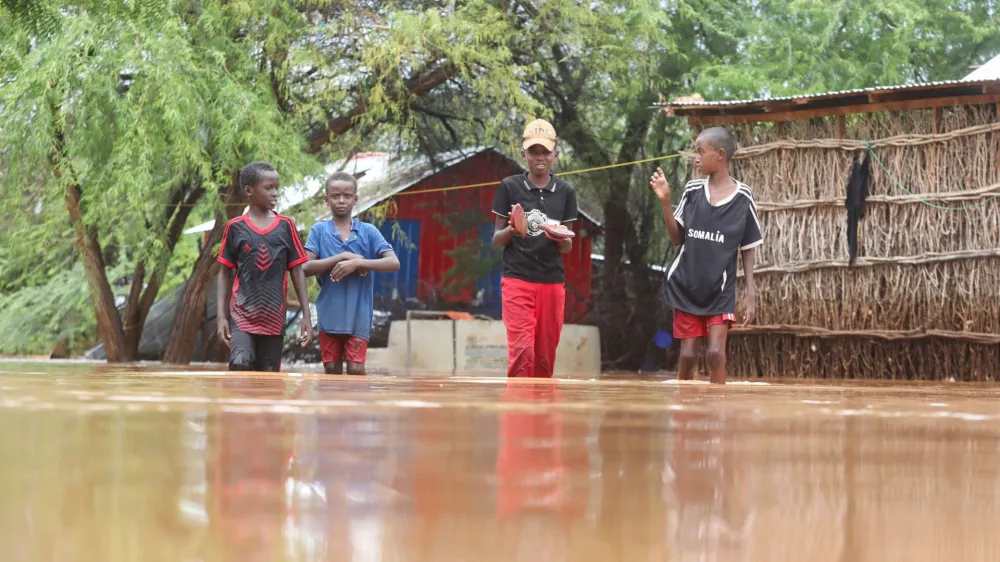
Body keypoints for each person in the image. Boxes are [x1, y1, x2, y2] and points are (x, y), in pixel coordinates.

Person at [650, 126, 763, 384]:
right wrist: (666, 202)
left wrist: (751, 293)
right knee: (688, 356)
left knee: (714, 354)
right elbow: (677, 238)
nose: (696, 157)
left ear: (720, 155)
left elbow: (747, 247)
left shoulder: (743, 197)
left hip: (720, 289)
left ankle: (717, 409)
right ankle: (684, 412)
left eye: (701, 151)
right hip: (686, 285)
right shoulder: (692, 191)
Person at [492, 119, 579, 378]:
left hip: (552, 282)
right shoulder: (509, 187)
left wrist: (558, 235)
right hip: (517, 280)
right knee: (523, 353)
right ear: (524, 155)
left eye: (545, 152)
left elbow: (567, 247)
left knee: (543, 359)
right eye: (533, 152)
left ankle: (541, 417)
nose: (539, 157)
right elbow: (497, 239)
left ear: (555, 155)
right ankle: (518, 415)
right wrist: (513, 229)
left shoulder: (566, 192)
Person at [217, 161, 312, 372]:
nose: (275, 193)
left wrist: (306, 315)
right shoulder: (235, 227)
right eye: (268, 188)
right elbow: (225, 272)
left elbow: (297, 270)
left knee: (268, 376)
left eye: (276, 187)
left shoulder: (286, 226)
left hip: (274, 317)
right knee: (239, 364)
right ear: (249, 191)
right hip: (242, 316)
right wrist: (222, 317)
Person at [303, 172, 400, 375]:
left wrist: (357, 262)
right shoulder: (319, 231)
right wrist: (341, 258)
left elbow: (393, 262)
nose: (341, 200)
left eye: (347, 196)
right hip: (329, 313)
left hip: (359, 314)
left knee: (356, 369)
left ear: (355, 199)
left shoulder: (368, 231)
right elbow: (305, 267)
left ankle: (356, 408)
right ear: (326, 199)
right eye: (335, 196)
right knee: (331, 369)